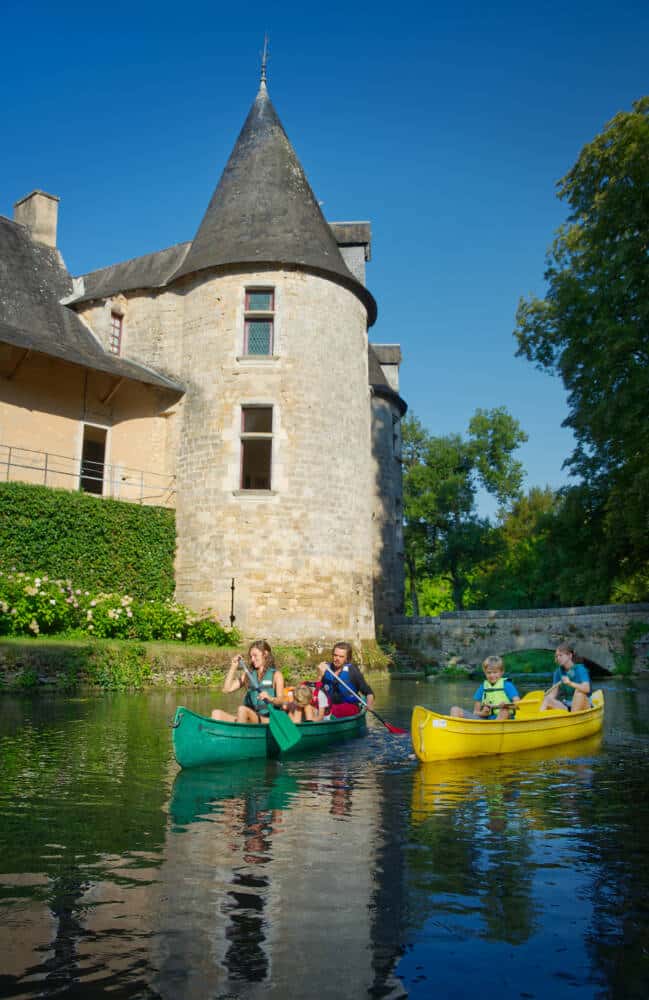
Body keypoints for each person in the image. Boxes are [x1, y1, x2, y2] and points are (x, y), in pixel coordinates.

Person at [211, 640, 285, 724]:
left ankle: (240, 735)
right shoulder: (248, 675)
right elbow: (226, 689)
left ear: (265, 654)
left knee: (242, 710)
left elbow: (281, 701)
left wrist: (270, 698)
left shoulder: (276, 675)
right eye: (251, 656)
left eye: (255, 655)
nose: (252, 659)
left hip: (268, 719)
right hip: (251, 718)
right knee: (216, 714)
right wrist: (233, 667)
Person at [449, 655, 520, 720]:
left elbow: (518, 705)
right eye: (489, 672)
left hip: (505, 719)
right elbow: (475, 712)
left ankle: (494, 730)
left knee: (504, 711)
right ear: (485, 672)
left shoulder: (507, 685)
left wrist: (506, 706)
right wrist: (483, 713)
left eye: (495, 672)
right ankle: (458, 731)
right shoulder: (482, 687)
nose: (492, 675)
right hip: (486, 722)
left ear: (501, 672)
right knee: (454, 710)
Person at [317, 642, 375, 718]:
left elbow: (369, 693)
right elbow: (316, 692)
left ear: (347, 658)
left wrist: (369, 705)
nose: (337, 659)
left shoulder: (352, 671)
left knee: (325, 710)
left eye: (341, 656)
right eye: (335, 655)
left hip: (350, 707)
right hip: (329, 707)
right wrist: (320, 675)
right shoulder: (325, 668)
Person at [540, 643, 591, 712]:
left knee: (579, 692)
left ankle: (572, 718)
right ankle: (539, 719)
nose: (558, 658)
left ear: (569, 655)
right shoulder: (558, 672)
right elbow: (553, 694)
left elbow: (587, 689)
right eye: (556, 656)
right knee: (547, 699)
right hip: (567, 705)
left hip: (583, 704)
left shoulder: (580, 669)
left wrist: (570, 683)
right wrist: (545, 698)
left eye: (561, 655)